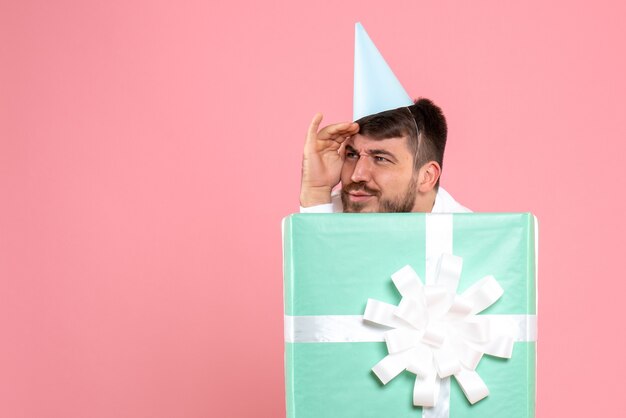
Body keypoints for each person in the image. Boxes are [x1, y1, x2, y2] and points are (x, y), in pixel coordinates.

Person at [299, 98, 470, 214]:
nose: (357, 175)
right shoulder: (327, 213)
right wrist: (316, 190)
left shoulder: (473, 240)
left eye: (380, 158)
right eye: (352, 155)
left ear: (426, 177)